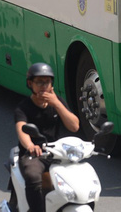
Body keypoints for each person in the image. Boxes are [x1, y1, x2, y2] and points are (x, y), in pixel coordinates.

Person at [10, 63, 79, 212]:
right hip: (35, 155)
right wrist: (30, 146)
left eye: (47, 82)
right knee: (33, 176)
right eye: (39, 82)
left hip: (57, 152)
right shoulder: (23, 107)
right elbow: (22, 130)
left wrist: (56, 104)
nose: (44, 86)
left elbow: (74, 126)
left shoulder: (57, 102)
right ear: (30, 83)